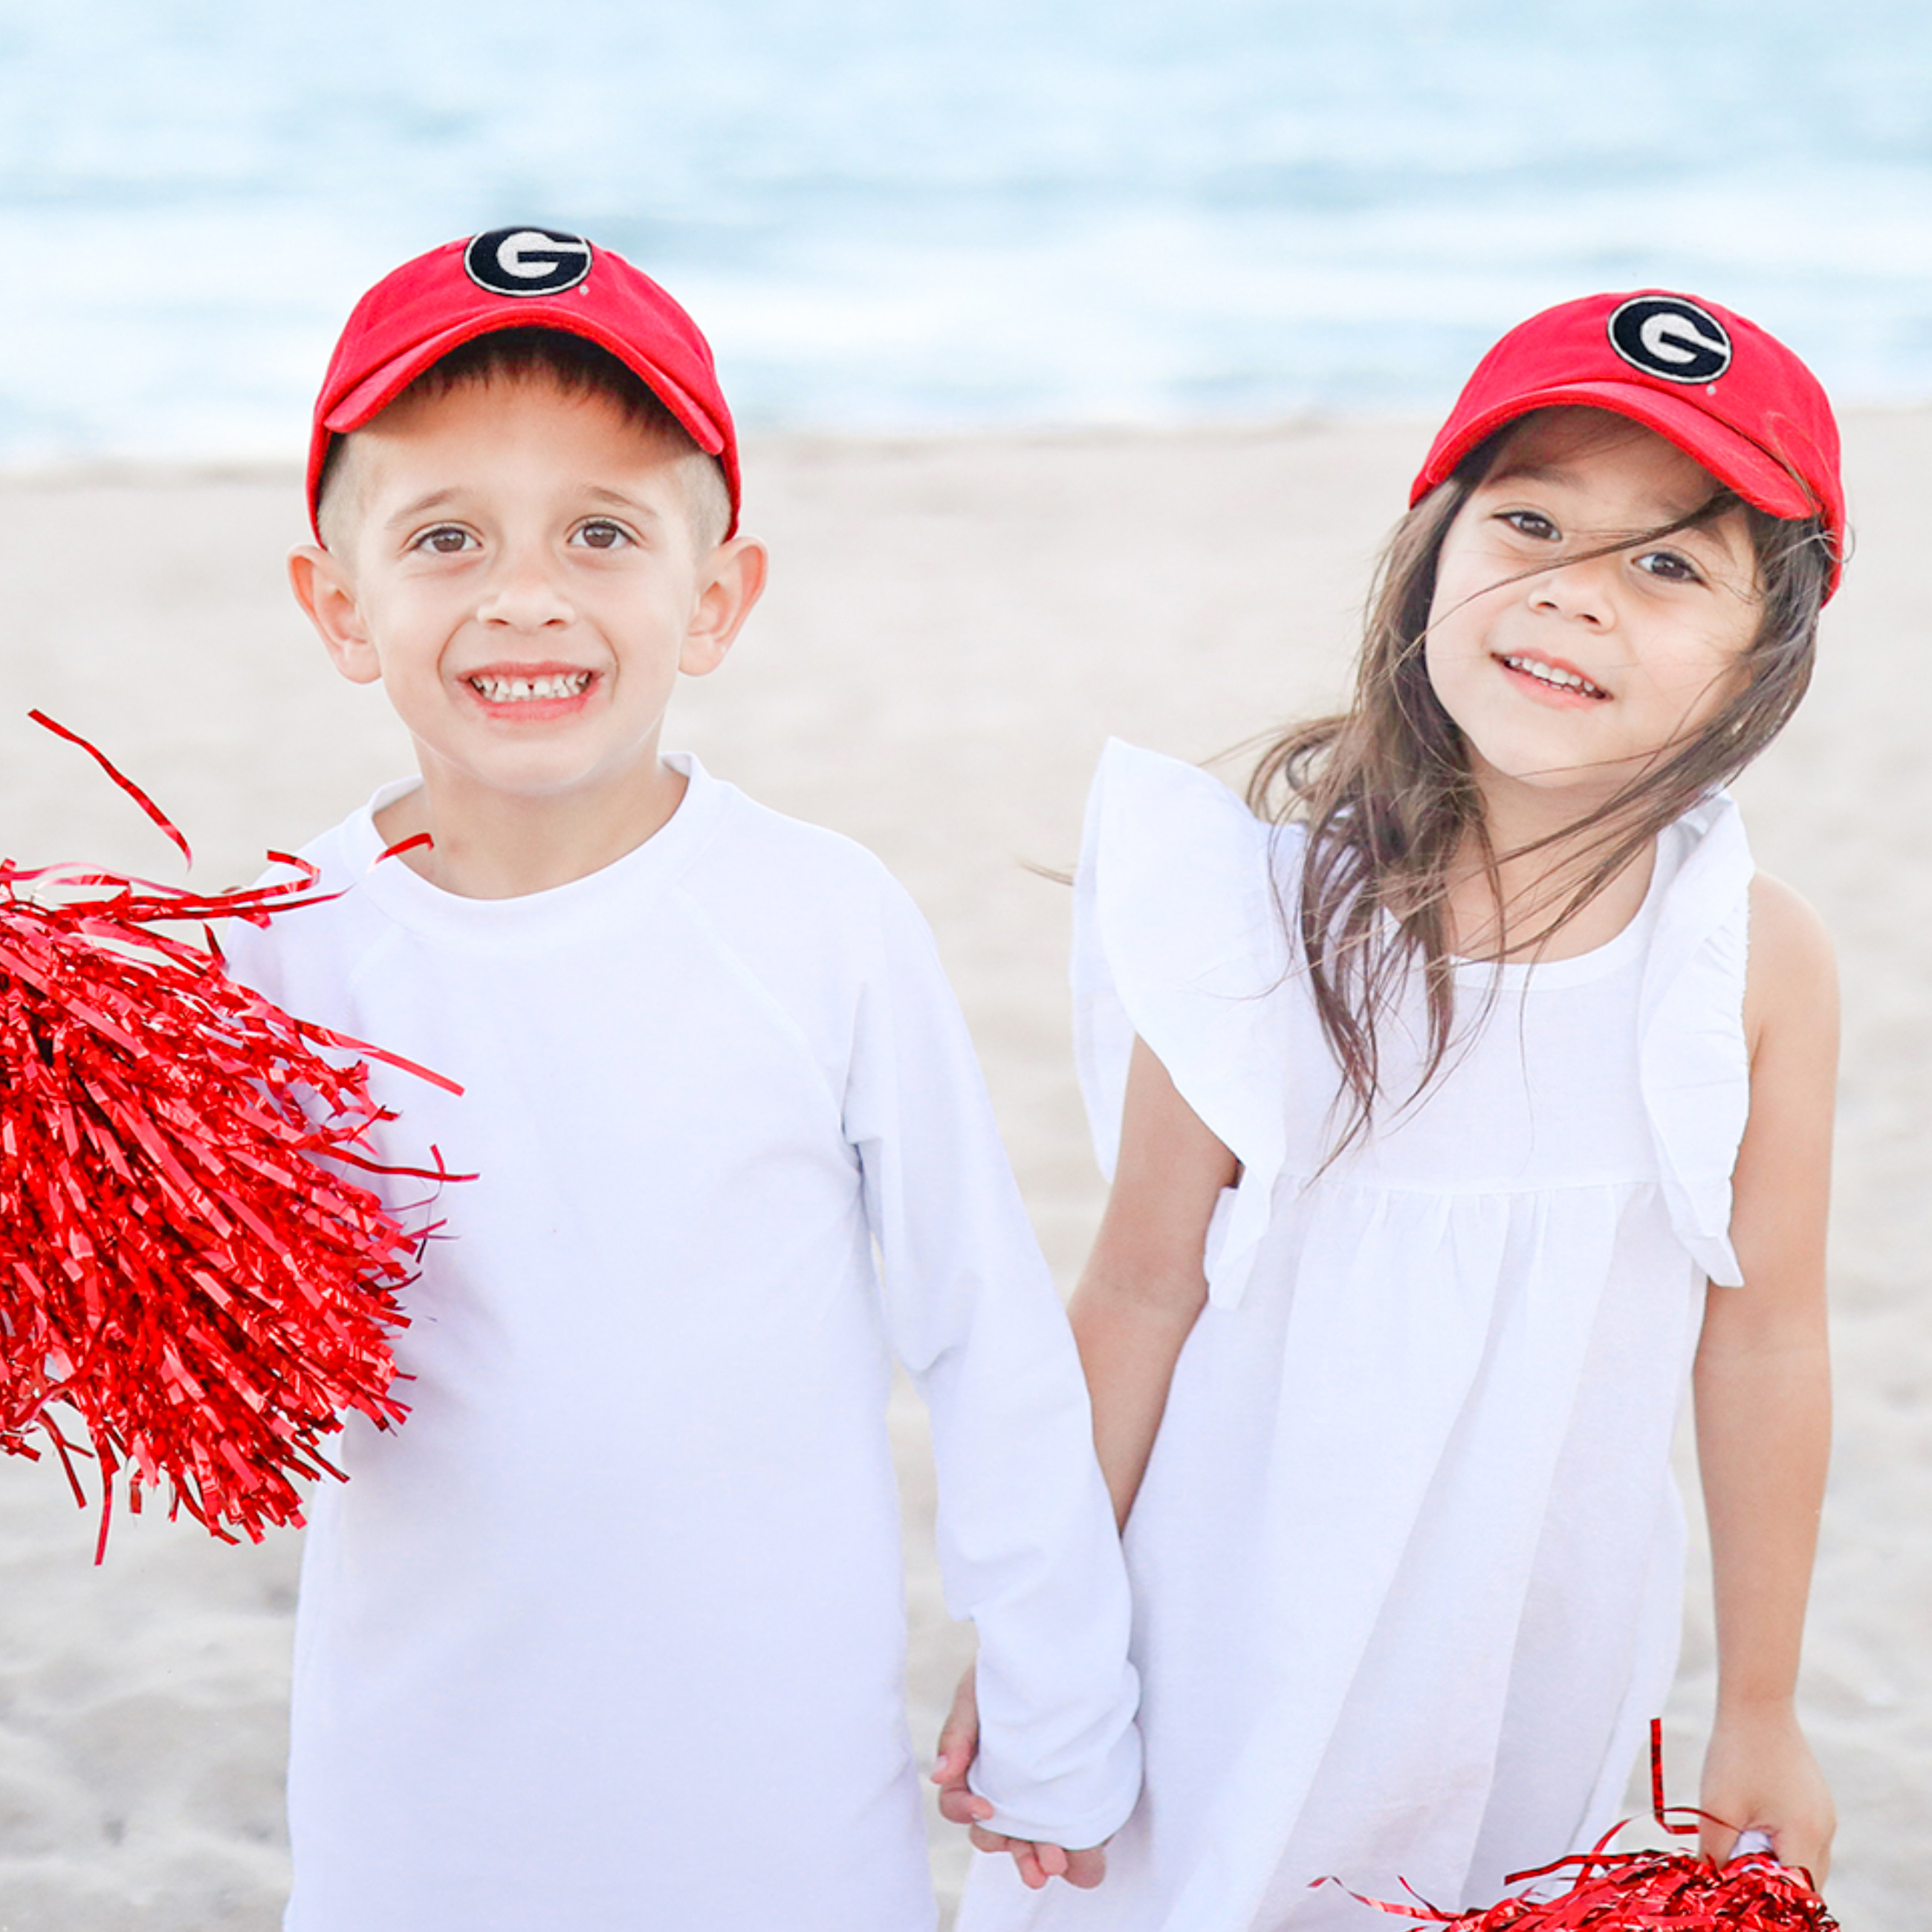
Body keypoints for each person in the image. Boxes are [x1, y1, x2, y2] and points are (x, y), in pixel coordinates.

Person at [221, 228, 1139, 1932]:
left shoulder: (821, 918)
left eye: (602, 531)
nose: (524, 594)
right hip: (418, 1803)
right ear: (338, 604)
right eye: (443, 537)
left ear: (715, 597)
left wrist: (1061, 1705)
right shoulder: (278, 956)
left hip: (779, 1804)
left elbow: (983, 1328)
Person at [947, 291, 1842, 1929]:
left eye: (1668, 563)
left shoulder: (1749, 959)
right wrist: (1039, 1644)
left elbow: (1766, 1334)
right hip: (1228, 1625)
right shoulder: (1254, 917)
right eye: (1530, 522)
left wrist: (1766, 1700)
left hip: (1535, 1648)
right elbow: (1138, 1290)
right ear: (1430, 558)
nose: (1575, 591)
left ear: (1754, 659)